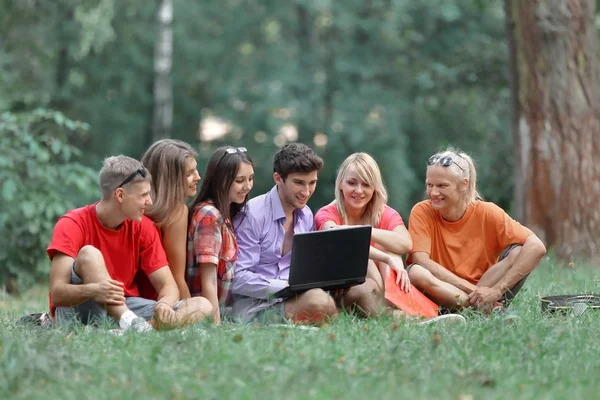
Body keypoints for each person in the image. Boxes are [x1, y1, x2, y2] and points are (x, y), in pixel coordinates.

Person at [47, 155, 213, 332]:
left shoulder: (143, 227)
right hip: (80, 311)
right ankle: (133, 325)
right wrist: (93, 290)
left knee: (202, 305)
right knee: (89, 254)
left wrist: (163, 304)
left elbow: (168, 285)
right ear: (120, 195)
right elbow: (57, 294)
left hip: (127, 306)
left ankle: (130, 331)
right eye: (143, 195)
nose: (149, 202)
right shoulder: (72, 223)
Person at [406, 148, 547, 312]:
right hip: (443, 290)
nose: (433, 192)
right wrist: (471, 291)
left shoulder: (488, 212)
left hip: (486, 287)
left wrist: (496, 291)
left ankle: (483, 304)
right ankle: (478, 308)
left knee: (519, 251)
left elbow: (537, 247)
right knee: (416, 272)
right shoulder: (421, 211)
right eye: (429, 185)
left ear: (463, 184)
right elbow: (421, 260)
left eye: (442, 186)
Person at [231, 143, 338, 324]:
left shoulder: (306, 215)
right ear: (278, 178)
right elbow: (238, 278)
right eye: (299, 183)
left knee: (327, 299)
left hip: (293, 298)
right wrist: (287, 288)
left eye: (312, 183)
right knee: (319, 302)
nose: (306, 192)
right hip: (256, 306)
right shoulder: (252, 215)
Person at [314, 152, 412, 317]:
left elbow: (405, 244)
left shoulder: (383, 213)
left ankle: (393, 308)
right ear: (340, 184)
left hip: (376, 288)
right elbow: (340, 241)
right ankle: (397, 315)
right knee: (362, 256)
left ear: (374, 188)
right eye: (352, 183)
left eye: (366, 185)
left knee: (390, 249)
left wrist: (365, 231)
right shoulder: (326, 214)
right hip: (342, 290)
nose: (359, 191)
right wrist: (385, 258)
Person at [186, 147, 254, 324]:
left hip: (225, 310)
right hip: (203, 314)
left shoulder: (225, 214)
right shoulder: (209, 216)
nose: (247, 186)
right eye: (240, 180)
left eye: (251, 178)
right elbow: (208, 282)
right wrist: (215, 327)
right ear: (221, 181)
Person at [137, 139, 201, 300]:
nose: (198, 177)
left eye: (196, 170)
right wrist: (190, 312)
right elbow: (176, 277)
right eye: (189, 174)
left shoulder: (135, 209)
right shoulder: (176, 212)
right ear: (170, 180)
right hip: (159, 301)